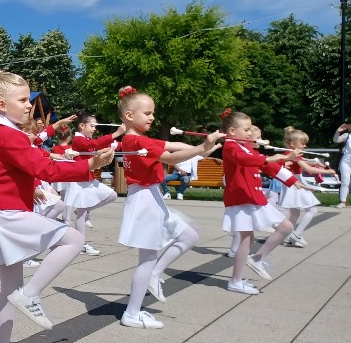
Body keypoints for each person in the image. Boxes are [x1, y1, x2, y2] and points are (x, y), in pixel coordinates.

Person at [0, 67, 113, 343]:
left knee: (10, 290)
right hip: (7, 214)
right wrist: (90, 165)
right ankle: (32, 295)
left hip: (2, 213)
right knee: (73, 239)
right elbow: (44, 169)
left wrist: (81, 161)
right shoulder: (7, 134)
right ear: (2, 105)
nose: (29, 106)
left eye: (28, 100)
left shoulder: (3, 131)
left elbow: (38, 160)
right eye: (23, 100)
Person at [116, 87, 222, 328]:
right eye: (148, 113)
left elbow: (173, 144)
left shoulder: (139, 138)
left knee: (189, 235)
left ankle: (154, 275)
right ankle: (132, 313)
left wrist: (204, 147)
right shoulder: (136, 140)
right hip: (144, 199)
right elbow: (170, 158)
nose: (152, 117)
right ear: (130, 116)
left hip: (150, 196)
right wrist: (202, 148)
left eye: (152, 113)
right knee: (147, 258)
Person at [220, 109, 302, 294]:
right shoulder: (230, 146)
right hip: (242, 198)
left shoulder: (244, 146)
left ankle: (251, 265)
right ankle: (240, 275)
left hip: (251, 198)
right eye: (246, 129)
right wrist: (277, 157)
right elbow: (246, 160)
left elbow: (266, 166)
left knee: (270, 232)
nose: (250, 133)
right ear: (232, 131)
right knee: (252, 237)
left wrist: (292, 180)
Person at [65, 112, 124, 255]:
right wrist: (117, 133)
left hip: (87, 179)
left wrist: (130, 140)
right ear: (81, 126)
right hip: (79, 180)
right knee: (81, 213)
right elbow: (95, 144)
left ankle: (85, 212)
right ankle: (81, 245)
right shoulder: (79, 140)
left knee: (112, 195)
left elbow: (101, 145)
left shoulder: (86, 139)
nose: (95, 129)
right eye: (92, 126)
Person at [279, 126, 335, 248]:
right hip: (295, 183)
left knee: (294, 214)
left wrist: (315, 163)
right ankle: (297, 234)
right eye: (302, 143)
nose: (305, 146)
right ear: (293, 144)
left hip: (292, 182)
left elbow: (304, 163)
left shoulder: (289, 153)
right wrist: (329, 171)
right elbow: (308, 169)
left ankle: (288, 237)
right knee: (312, 210)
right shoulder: (292, 154)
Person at [333, 120, 351, 208]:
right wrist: (337, 132)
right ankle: (343, 201)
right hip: (346, 159)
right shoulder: (347, 135)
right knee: (345, 181)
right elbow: (336, 140)